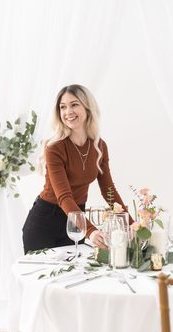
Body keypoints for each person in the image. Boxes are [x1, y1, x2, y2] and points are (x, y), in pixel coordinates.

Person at [22, 84, 132, 254]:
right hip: (45, 223)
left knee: (75, 277)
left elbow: (108, 190)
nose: (68, 112)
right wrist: (90, 230)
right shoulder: (54, 148)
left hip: (75, 221)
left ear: (87, 107)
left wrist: (131, 225)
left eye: (74, 104)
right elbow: (64, 196)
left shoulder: (99, 146)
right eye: (63, 107)